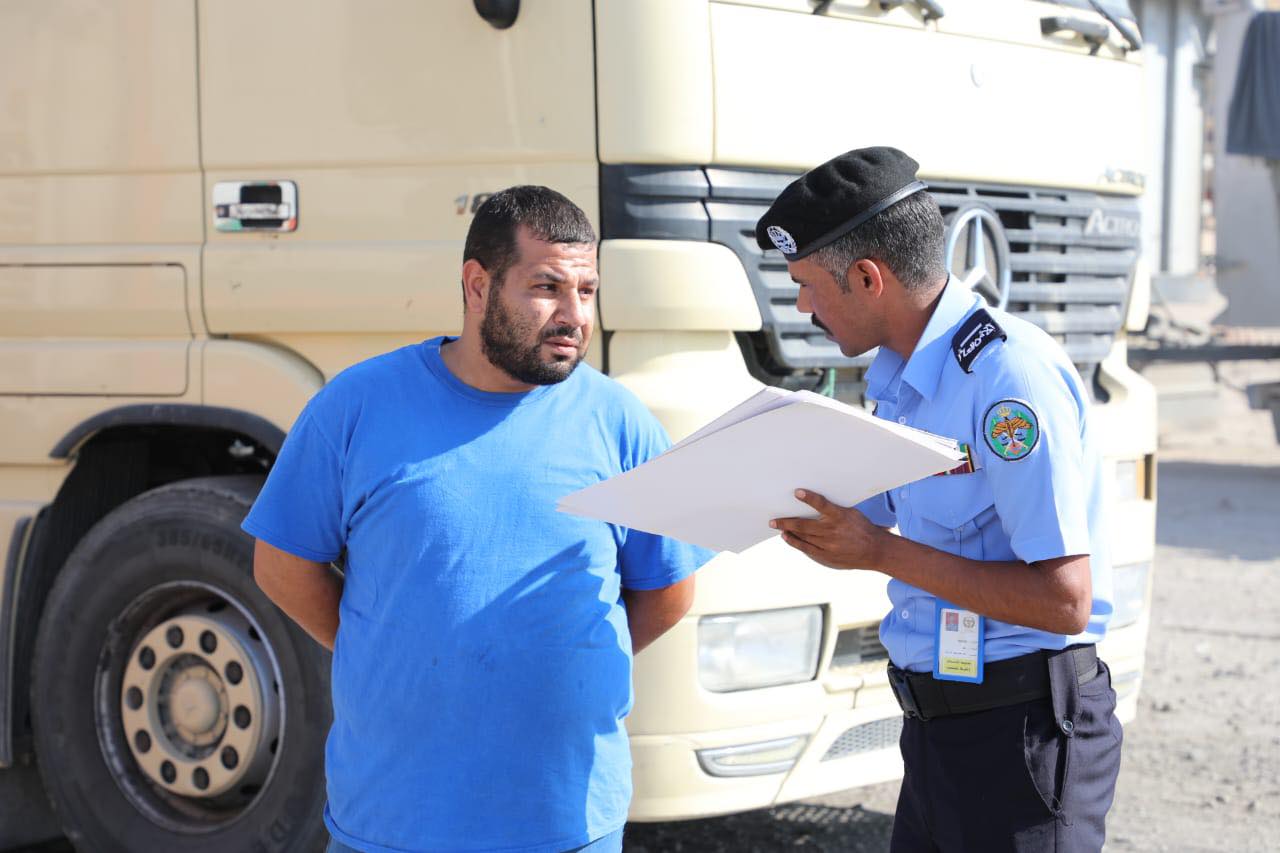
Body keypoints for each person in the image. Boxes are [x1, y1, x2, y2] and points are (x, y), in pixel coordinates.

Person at [245, 186, 709, 853]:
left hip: (567, 825)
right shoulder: (356, 405)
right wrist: (383, 651)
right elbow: (282, 564)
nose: (573, 315)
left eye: (586, 290)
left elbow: (668, 591)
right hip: (392, 823)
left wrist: (559, 663)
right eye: (547, 287)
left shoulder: (621, 422)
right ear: (477, 285)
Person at [760, 147, 1122, 852]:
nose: (803, 307)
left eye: (807, 285)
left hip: (1022, 736)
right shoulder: (901, 380)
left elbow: (1064, 601)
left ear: (868, 278)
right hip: (939, 731)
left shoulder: (1007, 379)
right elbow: (874, 509)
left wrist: (876, 552)